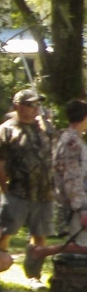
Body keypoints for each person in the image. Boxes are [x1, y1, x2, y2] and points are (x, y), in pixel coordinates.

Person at [0, 88, 56, 278]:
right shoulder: (5, 131)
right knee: (5, 232)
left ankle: (34, 274)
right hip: (17, 192)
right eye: (30, 104)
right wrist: (5, 192)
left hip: (43, 193)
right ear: (18, 106)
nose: (35, 108)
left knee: (40, 235)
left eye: (37, 104)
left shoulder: (44, 127)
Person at [52, 99, 87, 250]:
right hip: (76, 208)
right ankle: (39, 252)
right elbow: (72, 179)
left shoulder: (71, 139)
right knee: (81, 248)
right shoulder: (72, 143)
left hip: (76, 204)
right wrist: (82, 210)